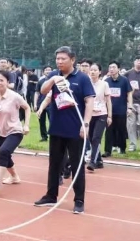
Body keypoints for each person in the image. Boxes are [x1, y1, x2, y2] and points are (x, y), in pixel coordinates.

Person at [33, 46, 94, 215]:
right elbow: (43, 90)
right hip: (56, 128)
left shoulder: (82, 78)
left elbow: (89, 101)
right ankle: (51, 195)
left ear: (72, 60)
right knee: (54, 164)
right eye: (57, 59)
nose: (59, 62)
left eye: (63, 59)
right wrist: (53, 79)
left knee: (77, 165)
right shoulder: (54, 75)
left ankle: (79, 200)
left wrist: (86, 124)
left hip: (75, 129)